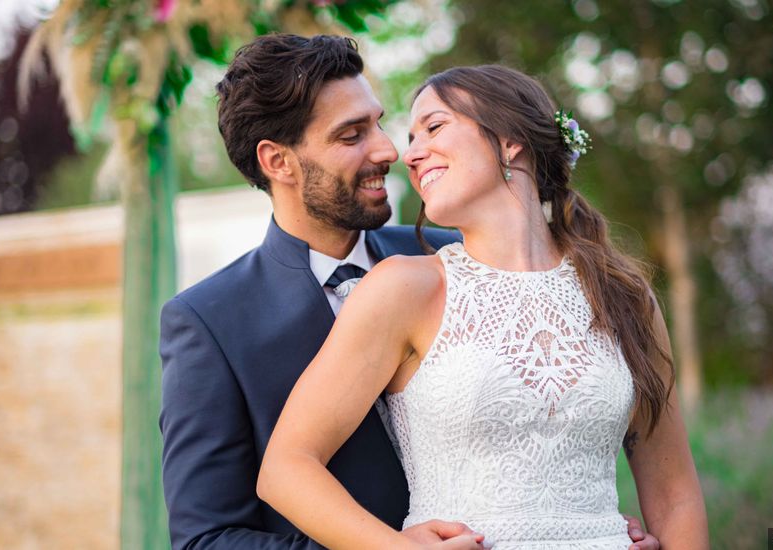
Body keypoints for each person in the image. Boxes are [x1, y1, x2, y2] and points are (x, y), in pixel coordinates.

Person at [159, 34, 659, 550]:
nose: (390, 150)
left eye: (378, 122)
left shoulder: (461, 258)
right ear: (278, 161)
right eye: (352, 135)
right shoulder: (209, 321)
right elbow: (207, 540)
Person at [257, 64, 708, 549]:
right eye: (412, 138)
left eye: (433, 127)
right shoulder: (404, 288)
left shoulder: (625, 297)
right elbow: (286, 468)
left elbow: (675, 494)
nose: (409, 155)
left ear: (510, 139)